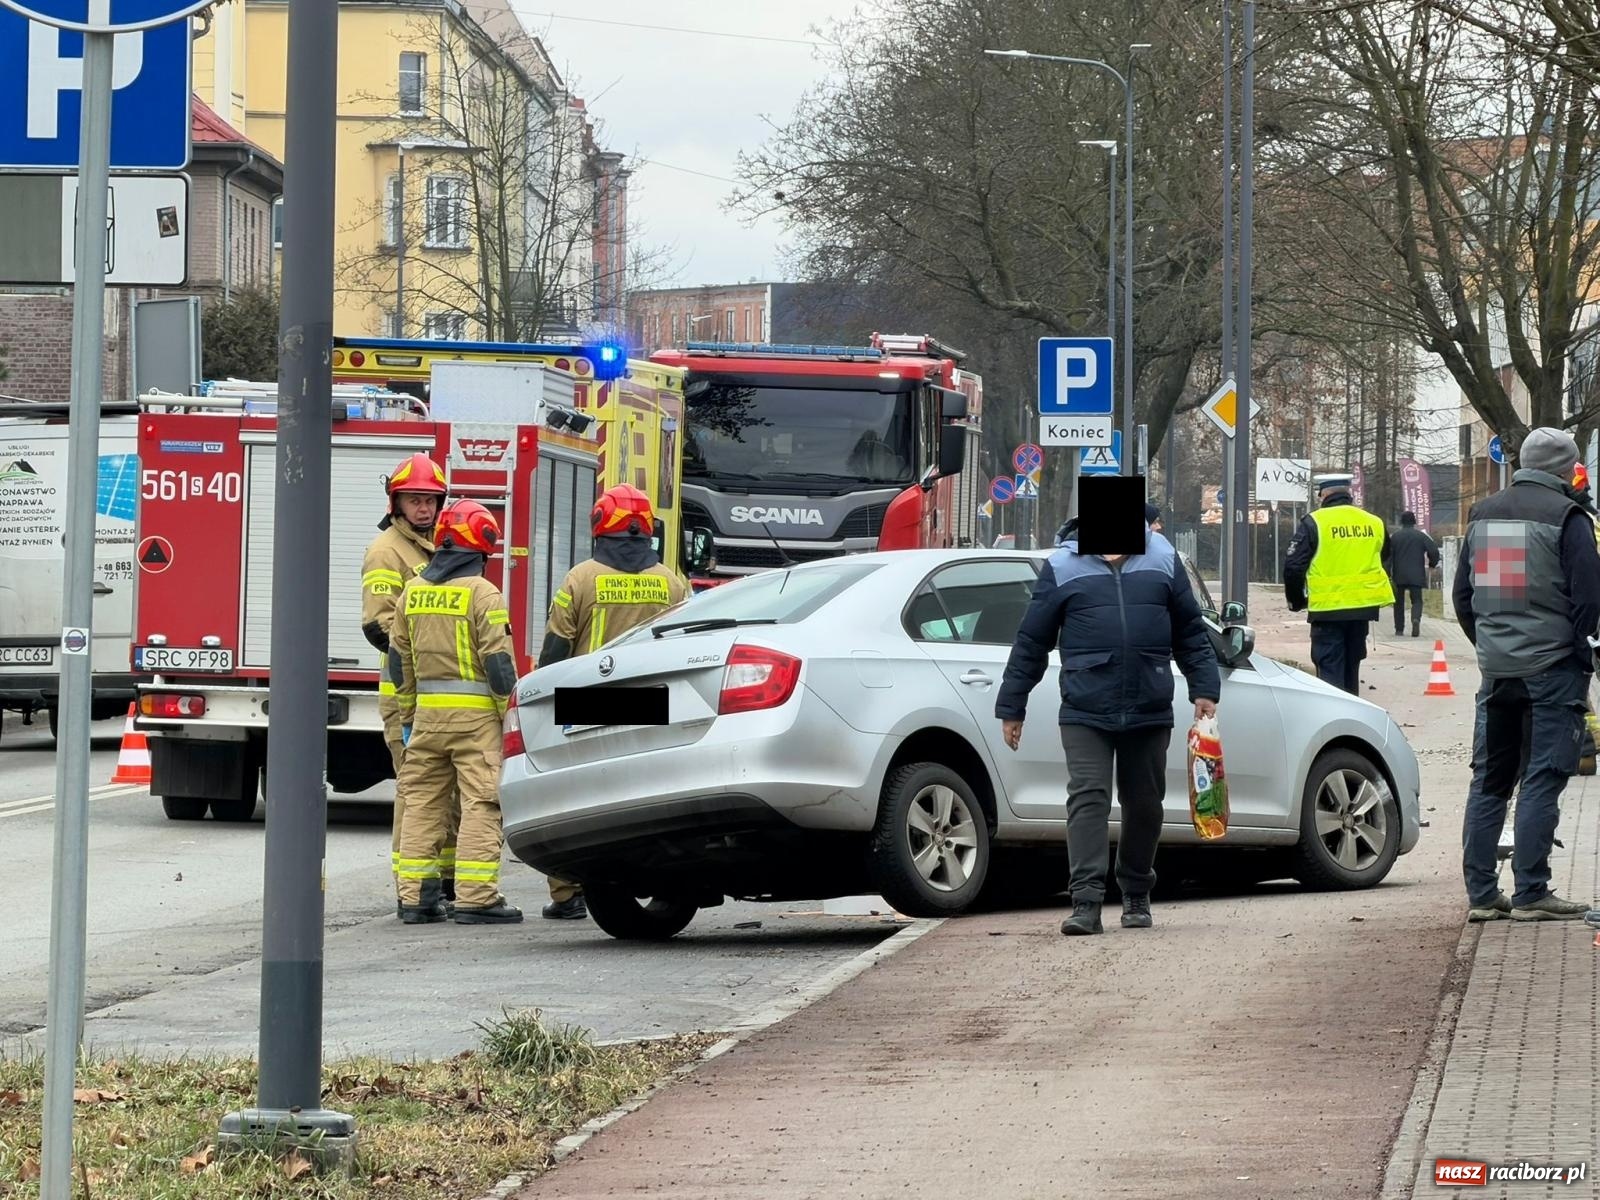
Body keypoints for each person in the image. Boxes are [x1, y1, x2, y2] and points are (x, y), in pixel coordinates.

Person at [993, 516, 1221, 936]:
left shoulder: (1161, 558)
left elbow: (1189, 630)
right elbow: (1032, 640)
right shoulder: (1062, 566)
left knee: (1145, 802)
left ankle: (1136, 891)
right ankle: (1085, 902)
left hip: (1148, 702)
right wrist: (1013, 706)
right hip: (1085, 706)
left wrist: (1204, 687)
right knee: (1088, 798)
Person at [1454, 427, 1600, 923]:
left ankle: (1480, 894)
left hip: (1498, 672)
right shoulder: (1567, 516)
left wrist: (1492, 647)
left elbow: (1463, 598)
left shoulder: (1486, 513)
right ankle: (1532, 892)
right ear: (1568, 467)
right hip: (1552, 669)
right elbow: (1588, 598)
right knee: (1543, 774)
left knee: (1491, 779)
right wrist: (1580, 654)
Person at [534, 484, 691, 919]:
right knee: (646, 794)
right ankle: (655, 877)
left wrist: (545, 697)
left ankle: (568, 894)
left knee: (571, 796)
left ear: (600, 525)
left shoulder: (580, 578)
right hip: (651, 704)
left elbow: (555, 647)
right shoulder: (671, 582)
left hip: (587, 702)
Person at [391, 500, 523, 925]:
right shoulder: (484, 594)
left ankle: (415, 899)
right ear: (478, 551)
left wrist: (409, 716)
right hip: (477, 724)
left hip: (427, 720)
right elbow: (499, 666)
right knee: (482, 805)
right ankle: (476, 898)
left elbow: (399, 661)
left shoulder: (413, 591)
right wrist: (510, 716)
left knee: (423, 805)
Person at [360, 452, 459, 911]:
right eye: (414, 500)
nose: (424, 508)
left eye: (430, 500)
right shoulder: (386, 551)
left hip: (448, 695)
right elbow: (378, 626)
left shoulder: (442, 544)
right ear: (396, 504)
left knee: (451, 793)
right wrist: (423, 664)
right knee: (416, 793)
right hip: (407, 694)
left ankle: (448, 881)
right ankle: (412, 890)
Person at [1282, 473, 1394, 694]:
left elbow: (1294, 567)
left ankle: (1334, 722)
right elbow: (1384, 555)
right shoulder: (1373, 522)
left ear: (1323, 494)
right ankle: (1353, 718)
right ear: (1348, 493)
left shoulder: (1314, 522)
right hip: (1362, 609)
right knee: (1352, 668)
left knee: (1330, 674)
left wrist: (1296, 601)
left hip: (1328, 612)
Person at [1382, 511, 1440, 638]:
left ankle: (1399, 629)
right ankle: (1416, 619)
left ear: (1402, 522)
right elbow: (1434, 551)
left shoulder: (1395, 537)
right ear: (1414, 521)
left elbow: (1387, 557)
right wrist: (1432, 564)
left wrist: (1386, 573)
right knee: (1417, 600)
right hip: (1416, 575)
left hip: (1399, 575)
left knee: (1398, 603)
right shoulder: (1420, 536)